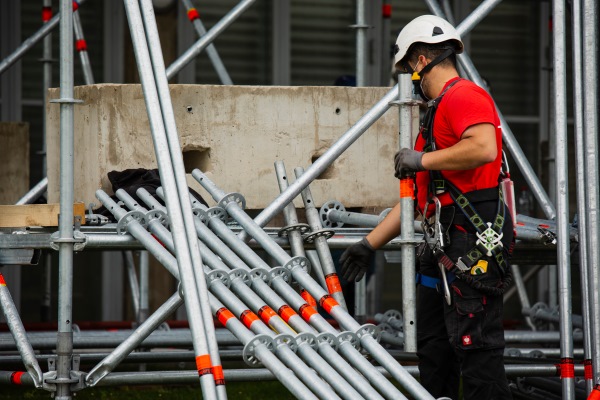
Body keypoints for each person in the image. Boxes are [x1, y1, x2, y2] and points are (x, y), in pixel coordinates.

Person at [340, 15, 514, 400]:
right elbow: (417, 203)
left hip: (471, 244)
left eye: (407, 69)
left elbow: (484, 147)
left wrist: (421, 160)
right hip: (442, 243)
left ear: (421, 61)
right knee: (435, 350)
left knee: (477, 349)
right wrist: (368, 244)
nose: (408, 80)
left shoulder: (464, 95)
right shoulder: (433, 118)